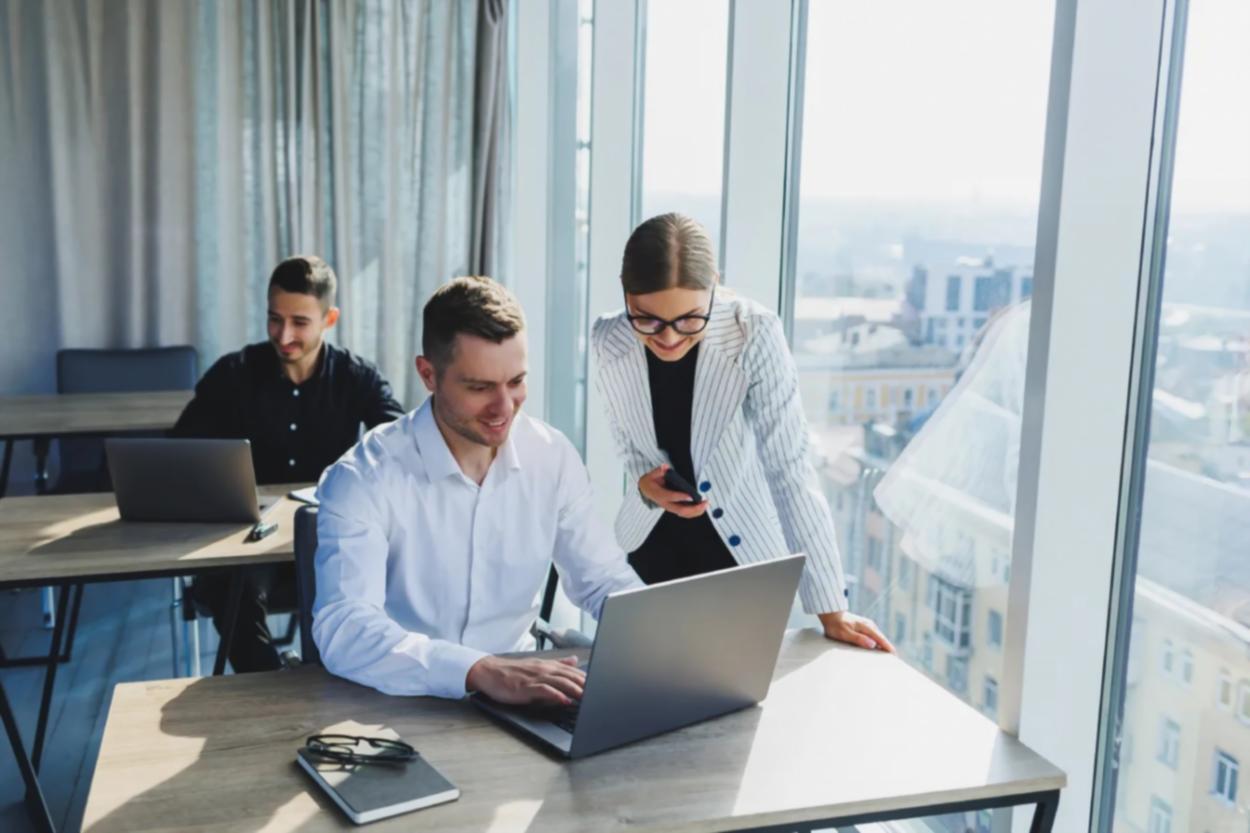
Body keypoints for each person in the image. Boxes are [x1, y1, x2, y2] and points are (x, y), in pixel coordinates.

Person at [313, 276, 642, 703]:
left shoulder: (552, 456)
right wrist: (477, 671)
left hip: (526, 700)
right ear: (428, 374)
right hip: (397, 706)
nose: (504, 408)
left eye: (516, 382)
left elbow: (602, 581)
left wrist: (666, 643)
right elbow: (345, 628)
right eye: (480, 387)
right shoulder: (363, 476)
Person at [592, 213, 894, 652]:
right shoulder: (609, 339)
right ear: (625, 291)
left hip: (739, 554)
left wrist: (830, 607)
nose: (670, 338)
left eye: (690, 318)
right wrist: (644, 482)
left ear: (714, 284)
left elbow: (789, 469)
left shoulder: (753, 333)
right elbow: (627, 439)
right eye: (648, 320)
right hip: (649, 549)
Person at [173, 255, 404, 672]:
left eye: (300, 322)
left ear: (329, 318)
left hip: (330, 534)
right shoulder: (234, 374)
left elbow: (400, 447)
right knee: (232, 593)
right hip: (250, 542)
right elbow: (179, 455)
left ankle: (330, 683)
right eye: (274, 319)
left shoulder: (357, 377)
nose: (284, 335)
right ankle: (272, 687)